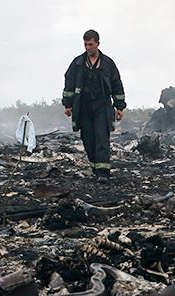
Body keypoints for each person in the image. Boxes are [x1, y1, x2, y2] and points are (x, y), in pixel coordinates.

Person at [62, 29, 126, 182]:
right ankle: (94, 167)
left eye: (90, 44)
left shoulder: (108, 64)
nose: (87, 48)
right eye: (85, 44)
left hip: (102, 107)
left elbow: (117, 84)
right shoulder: (77, 63)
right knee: (88, 138)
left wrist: (119, 107)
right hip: (83, 107)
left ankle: (103, 172)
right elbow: (69, 84)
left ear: (98, 43)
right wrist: (67, 105)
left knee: (102, 137)